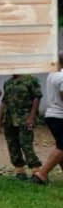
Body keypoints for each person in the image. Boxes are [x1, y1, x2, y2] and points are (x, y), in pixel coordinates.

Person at [0, 74, 42, 180]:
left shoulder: (30, 80)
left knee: (26, 144)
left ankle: (36, 170)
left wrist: (32, 117)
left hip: (24, 118)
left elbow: (37, 97)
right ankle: (20, 171)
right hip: (10, 119)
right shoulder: (8, 82)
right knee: (12, 144)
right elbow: (4, 101)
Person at [32, 52, 63, 184]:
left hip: (52, 114)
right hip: (60, 115)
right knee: (62, 147)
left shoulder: (52, 74)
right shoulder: (62, 76)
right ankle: (42, 174)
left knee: (61, 146)